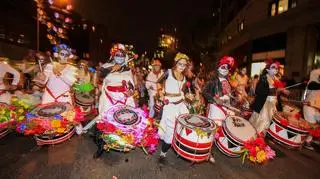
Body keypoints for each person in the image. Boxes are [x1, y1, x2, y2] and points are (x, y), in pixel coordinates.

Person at [157, 52, 193, 162]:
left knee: (185, 126)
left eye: (184, 65)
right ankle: (163, 153)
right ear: (176, 63)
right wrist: (161, 93)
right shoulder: (168, 72)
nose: (182, 67)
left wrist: (188, 95)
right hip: (170, 105)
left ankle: (180, 145)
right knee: (170, 130)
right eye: (180, 64)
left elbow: (183, 91)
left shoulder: (184, 77)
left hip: (181, 105)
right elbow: (158, 82)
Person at [249, 59, 287, 135]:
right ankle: (257, 138)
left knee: (271, 123)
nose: (275, 69)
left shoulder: (276, 79)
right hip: (265, 104)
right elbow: (258, 91)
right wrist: (274, 90)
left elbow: (276, 93)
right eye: (273, 67)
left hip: (273, 104)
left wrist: (283, 91)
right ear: (268, 69)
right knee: (263, 122)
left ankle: (262, 139)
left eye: (277, 68)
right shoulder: (264, 78)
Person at [202, 56, 235, 126]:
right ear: (218, 68)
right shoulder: (213, 80)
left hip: (225, 108)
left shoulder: (228, 80)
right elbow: (204, 91)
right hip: (216, 108)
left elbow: (228, 94)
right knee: (216, 128)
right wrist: (215, 99)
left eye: (227, 68)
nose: (225, 69)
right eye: (223, 67)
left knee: (223, 129)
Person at [303, 68, 320, 149]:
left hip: (315, 108)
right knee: (312, 126)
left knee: (315, 126)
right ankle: (306, 140)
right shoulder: (312, 83)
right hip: (309, 108)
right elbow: (313, 86)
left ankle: (309, 139)